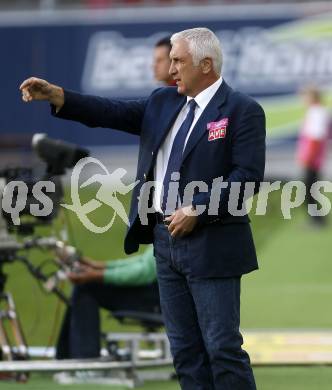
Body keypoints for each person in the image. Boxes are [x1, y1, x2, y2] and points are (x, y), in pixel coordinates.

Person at [20, 27, 266, 390]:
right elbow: (110, 111)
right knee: (184, 352)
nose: (171, 70)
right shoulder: (163, 102)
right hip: (165, 244)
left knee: (222, 348)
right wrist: (59, 96)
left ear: (207, 64)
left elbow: (247, 178)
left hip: (212, 243)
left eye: (178, 61)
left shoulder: (243, 110)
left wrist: (198, 209)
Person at [56, 246, 159, 359]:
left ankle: (84, 362)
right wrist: (95, 265)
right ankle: (69, 359)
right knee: (85, 286)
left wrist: (95, 275)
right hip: (157, 296)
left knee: (86, 287)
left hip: (158, 302)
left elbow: (144, 272)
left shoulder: (166, 231)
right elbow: (144, 262)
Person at [297, 86, 330, 226]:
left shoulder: (317, 112)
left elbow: (316, 138)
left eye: (305, 96)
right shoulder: (316, 111)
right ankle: (317, 218)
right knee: (311, 188)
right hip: (313, 158)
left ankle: (317, 219)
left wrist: (308, 157)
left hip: (313, 159)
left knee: (310, 189)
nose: (303, 99)